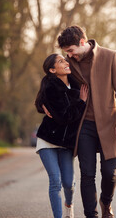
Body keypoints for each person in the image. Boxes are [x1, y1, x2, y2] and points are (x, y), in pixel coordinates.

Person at [54, 25, 116, 218]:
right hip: (84, 125)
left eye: (70, 50)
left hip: (110, 123)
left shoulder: (111, 56)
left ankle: (106, 203)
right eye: (66, 52)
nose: (69, 55)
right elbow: (54, 83)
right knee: (87, 173)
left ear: (82, 42)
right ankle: (91, 215)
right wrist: (43, 104)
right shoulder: (70, 63)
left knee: (109, 172)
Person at [35, 53, 88, 218]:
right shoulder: (51, 87)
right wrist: (81, 102)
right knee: (55, 181)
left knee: (68, 183)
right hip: (48, 140)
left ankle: (69, 204)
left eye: (65, 60)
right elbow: (64, 117)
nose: (66, 62)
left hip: (66, 144)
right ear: (52, 70)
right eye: (60, 61)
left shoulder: (77, 86)